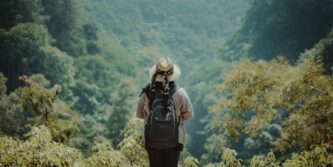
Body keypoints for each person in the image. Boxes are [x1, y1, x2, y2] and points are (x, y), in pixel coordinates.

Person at [137, 56, 194, 167]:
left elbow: (139, 114)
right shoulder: (180, 93)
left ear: (155, 73)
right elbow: (190, 115)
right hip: (175, 139)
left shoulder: (147, 93)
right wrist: (176, 119)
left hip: (152, 138)